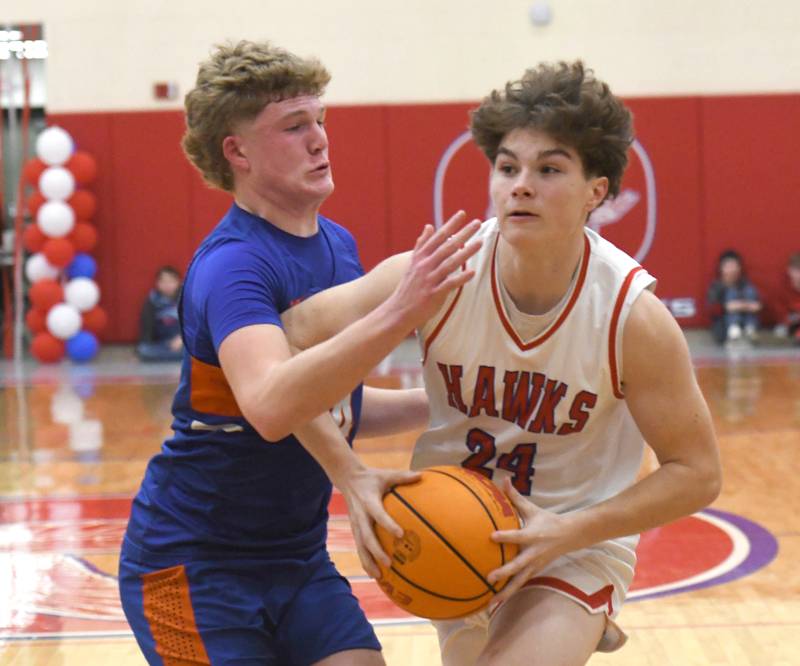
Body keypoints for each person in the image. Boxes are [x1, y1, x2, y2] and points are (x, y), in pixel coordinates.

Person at [282, 61, 722, 665]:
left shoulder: (630, 317)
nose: (520, 185)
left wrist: (570, 532)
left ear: (597, 189)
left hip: (572, 540)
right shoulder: (441, 271)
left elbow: (697, 472)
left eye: (549, 169)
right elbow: (288, 342)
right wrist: (348, 473)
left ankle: (575, 612)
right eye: (508, 167)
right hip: (452, 529)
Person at [117, 40, 481, 666]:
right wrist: (400, 310)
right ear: (238, 153)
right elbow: (270, 405)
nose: (319, 141)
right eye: (294, 127)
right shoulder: (232, 266)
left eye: (321, 122)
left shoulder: (338, 247)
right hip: (195, 561)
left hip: (296, 558)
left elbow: (337, 406)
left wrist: (458, 404)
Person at [706, 249, 762, 345]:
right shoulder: (716, 286)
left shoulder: (746, 285)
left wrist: (745, 306)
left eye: (734, 266)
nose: (732, 270)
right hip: (725, 322)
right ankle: (734, 330)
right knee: (731, 294)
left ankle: (750, 329)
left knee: (749, 292)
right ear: (721, 268)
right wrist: (726, 307)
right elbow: (711, 308)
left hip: (746, 317)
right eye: (728, 266)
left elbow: (758, 304)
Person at [135, 265, 184, 361]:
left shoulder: (186, 299)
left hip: (183, 342)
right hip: (163, 344)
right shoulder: (152, 301)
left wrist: (182, 339)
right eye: (164, 281)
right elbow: (146, 327)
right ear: (158, 283)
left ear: (178, 282)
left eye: (171, 281)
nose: (167, 285)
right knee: (144, 350)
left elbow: (194, 325)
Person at [774, 251, 800, 344]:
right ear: (789, 270)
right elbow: (780, 313)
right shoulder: (782, 287)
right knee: (779, 332)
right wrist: (793, 318)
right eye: (796, 270)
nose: (799, 275)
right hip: (789, 323)